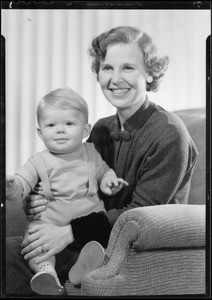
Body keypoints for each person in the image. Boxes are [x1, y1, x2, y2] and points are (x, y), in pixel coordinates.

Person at [5, 26, 198, 296]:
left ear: (150, 72)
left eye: (128, 67)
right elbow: (74, 182)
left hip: (130, 253)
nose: (115, 79)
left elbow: (141, 214)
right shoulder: (101, 129)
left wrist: (67, 232)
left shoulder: (169, 133)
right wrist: (37, 199)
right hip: (83, 239)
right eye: (107, 68)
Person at [6, 87, 128, 295]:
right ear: (40, 132)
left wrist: (109, 182)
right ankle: (46, 270)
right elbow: (21, 186)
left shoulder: (91, 154)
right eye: (51, 125)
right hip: (49, 227)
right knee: (33, 237)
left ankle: (86, 266)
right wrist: (10, 186)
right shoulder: (37, 162)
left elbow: (104, 172)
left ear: (85, 130)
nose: (60, 130)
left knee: (101, 244)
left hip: (86, 228)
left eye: (69, 124)